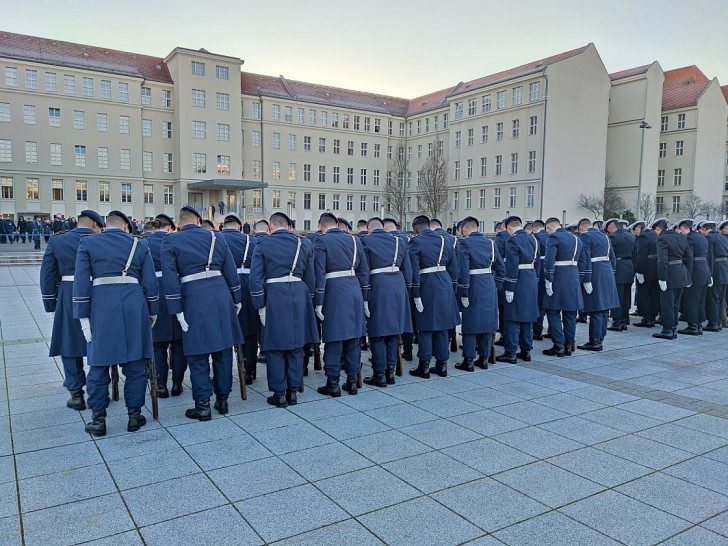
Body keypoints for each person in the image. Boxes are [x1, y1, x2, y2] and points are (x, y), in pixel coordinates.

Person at [73, 210, 158, 436]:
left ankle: (98, 420)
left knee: (98, 366)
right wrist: (153, 311)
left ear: (105, 225)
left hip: (101, 306)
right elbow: (149, 282)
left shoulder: (88, 243)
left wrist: (82, 317)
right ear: (125, 227)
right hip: (133, 304)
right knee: (135, 365)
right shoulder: (139, 245)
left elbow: (81, 282)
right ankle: (134, 416)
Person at [161, 206, 244, 420]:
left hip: (193, 298)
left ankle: (203, 404)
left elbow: (170, 279)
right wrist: (236, 299)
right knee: (223, 350)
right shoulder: (217, 238)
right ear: (199, 220)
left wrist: (176, 309)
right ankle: (223, 400)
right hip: (220, 295)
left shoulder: (171, 240)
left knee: (197, 354)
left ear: (179, 223)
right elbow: (230, 272)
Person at [250, 212, 319, 406]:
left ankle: (279, 393)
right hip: (299, 292)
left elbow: (255, 278)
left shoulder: (263, 243)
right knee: (297, 344)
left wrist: (259, 305)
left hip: (274, 294)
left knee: (274, 346)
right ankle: (293, 391)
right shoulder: (303, 243)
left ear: (270, 227)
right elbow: (310, 276)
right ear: (289, 226)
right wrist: (309, 299)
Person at [40, 210, 105, 411]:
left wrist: (51, 304)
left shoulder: (58, 241)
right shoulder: (101, 241)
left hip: (68, 294)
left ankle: (76, 393)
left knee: (69, 342)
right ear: (95, 225)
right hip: (98, 293)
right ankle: (100, 387)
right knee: (98, 340)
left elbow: (48, 276)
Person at [314, 212, 370, 396]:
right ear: (337, 224)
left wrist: (319, 302)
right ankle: (352, 382)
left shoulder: (322, 241)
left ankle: (333, 383)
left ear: (322, 227)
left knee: (334, 338)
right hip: (353, 289)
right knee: (353, 338)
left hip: (334, 291)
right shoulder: (354, 241)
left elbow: (319, 273)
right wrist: (364, 297)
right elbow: (363, 271)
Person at [361, 217, 412, 386]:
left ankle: (380, 374)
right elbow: (408, 270)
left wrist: (365, 296)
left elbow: (364, 271)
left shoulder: (366, 242)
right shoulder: (399, 241)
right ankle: (391, 372)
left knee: (377, 332)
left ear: (369, 230)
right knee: (393, 332)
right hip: (398, 285)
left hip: (378, 285)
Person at [408, 215, 460, 377]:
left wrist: (415, 293)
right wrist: (451, 290)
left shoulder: (415, 242)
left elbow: (413, 270)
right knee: (443, 327)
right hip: (444, 283)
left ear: (416, 229)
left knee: (425, 327)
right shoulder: (445, 240)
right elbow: (454, 269)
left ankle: (423, 366)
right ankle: (441, 365)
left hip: (426, 284)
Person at [454, 216, 505, 371]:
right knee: (487, 321)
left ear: (464, 229)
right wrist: (496, 284)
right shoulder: (490, 243)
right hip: (488, 283)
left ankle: (468, 360)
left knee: (471, 322)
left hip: (473, 283)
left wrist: (463, 291)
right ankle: (484, 358)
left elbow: (463, 271)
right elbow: (500, 267)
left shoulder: (464, 243)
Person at [147, 214, 187, 397]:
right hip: (177, 292)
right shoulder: (177, 241)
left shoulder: (144, 243)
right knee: (178, 343)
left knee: (158, 344)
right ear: (170, 228)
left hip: (155, 295)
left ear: (154, 228)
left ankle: (160, 384)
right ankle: (177, 384)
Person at [221, 213, 260, 384]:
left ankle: (223, 373)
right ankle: (249, 370)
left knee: (224, 331)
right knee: (249, 332)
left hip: (223, 286)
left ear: (223, 226)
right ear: (238, 226)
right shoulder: (252, 240)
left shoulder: (217, 239)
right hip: (247, 284)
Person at [497, 216, 540, 363]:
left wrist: (509, 287)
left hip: (519, 279)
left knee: (512, 317)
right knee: (527, 316)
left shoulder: (512, 240)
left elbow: (511, 266)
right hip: (531, 278)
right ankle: (526, 350)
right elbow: (538, 262)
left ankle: (511, 352)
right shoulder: (533, 239)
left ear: (509, 228)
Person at [541, 218, 585, 357]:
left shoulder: (554, 237)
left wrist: (548, 279)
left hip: (558, 277)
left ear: (548, 228)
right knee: (570, 313)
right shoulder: (576, 239)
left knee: (553, 312)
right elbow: (583, 261)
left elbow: (549, 260)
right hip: (573, 276)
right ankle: (568, 345)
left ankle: (558, 345)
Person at [577, 218, 619, 351]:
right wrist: (611, 273)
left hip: (595, 273)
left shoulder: (585, 237)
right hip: (607, 272)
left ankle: (594, 340)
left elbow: (585, 259)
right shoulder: (605, 236)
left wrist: (586, 278)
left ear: (582, 228)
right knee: (603, 308)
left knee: (595, 308)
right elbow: (612, 257)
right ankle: (600, 337)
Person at [652, 218, 692, 339]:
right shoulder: (681, 237)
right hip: (681, 272)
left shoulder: (662, 239)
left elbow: (662, 261)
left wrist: (662, 278)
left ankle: (668, 330)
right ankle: (673, 327)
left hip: (669, 273)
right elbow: (689, 258)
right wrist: (688, 276)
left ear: (658, 229)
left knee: (667, 304)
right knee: (675, 304)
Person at [676, 219, 708, 335]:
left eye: (681, 230)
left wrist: (687, 275)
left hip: (695, 272)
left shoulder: (689, 238)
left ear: (684, 228)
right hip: (704, 271)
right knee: (700, 300)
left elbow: (689, 257)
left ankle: (693, 326)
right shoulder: (702, 237)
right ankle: (698, 325)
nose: (681, 232)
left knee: (691, 300)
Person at [605, 218, 636, 331]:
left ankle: (617, 321)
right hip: (629, 267)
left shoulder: (613, 237)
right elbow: (635, 254)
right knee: (626, 296)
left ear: (611, 227)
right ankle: (624, 319)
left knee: (617, 295)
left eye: (609, 229)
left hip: (618, 267)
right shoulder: (631, 236)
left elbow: (611, 255)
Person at [703, 221, 728, 331]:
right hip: (725, 269)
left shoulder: (709, 238)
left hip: (716, 270)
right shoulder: (723, 238)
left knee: (713, 298)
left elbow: (710, 257)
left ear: (706, 229)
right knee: (720, 297)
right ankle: (718, 322)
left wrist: (710, 274)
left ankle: (713, 323)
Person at [634, 221, 659, 328]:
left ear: (639, 229)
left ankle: (647, 318)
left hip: (647, 269)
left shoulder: (643, 237)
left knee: (644, 294)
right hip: (656, 269)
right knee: (654, 294)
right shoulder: (655, 235)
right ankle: (653, 317)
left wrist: (639, 271)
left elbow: (641, 255)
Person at [531, 219, 548, 340]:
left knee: (539, 302)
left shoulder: (535, 238)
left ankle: (537, 330)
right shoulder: (551, 236)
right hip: (552, 270)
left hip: (540, 270)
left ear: (534, 228)